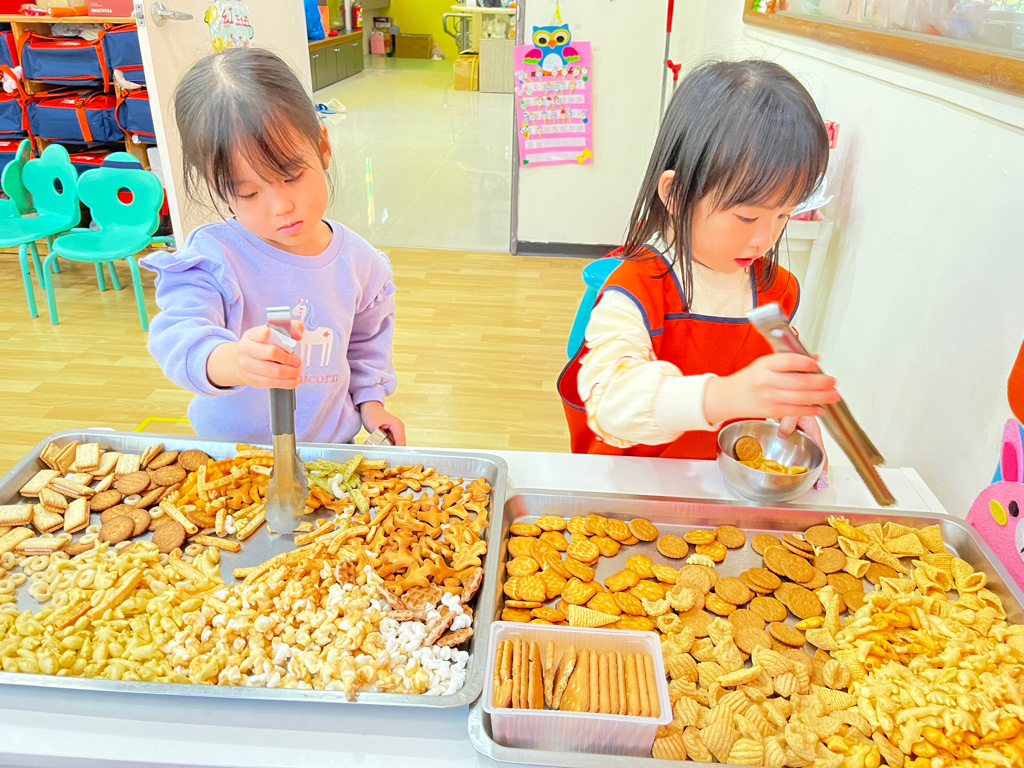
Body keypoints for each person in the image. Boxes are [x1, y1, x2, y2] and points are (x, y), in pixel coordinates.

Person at [559, 60, 837, 460]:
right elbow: (611, 405)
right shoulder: (634, 289)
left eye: (784, 215)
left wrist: (791, 405)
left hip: (718, 486)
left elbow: (771, 379)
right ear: (675, 194)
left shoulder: (777, 290)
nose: (764, 239)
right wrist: (722, 395)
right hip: (630, 485)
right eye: (747, 216)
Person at [143, 47, 405, 445]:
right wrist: (233, 361)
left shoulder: (362, 263)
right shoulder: (212, 259)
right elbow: (178, 336)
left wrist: (372, 405)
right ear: (218, 187)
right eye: (248, 192)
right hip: (234, 457)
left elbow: (366, 348)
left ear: (323, 146)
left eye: (291, 175)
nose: (281, 207)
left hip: (331, 452)